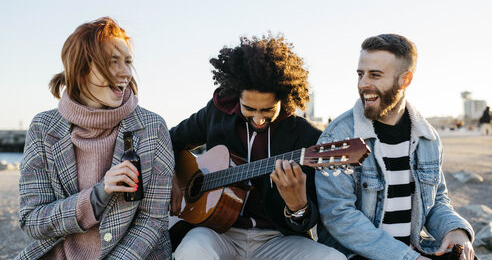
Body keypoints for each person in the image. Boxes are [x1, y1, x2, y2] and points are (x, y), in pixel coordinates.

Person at [170, 35, 346, 259]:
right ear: (237, 96)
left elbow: (308, 222)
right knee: (191, 252)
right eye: (249, 108)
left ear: (285, 99)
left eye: (267, 110)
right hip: (217, 233)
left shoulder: (306, 137)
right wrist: (173, 176)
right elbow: (168, 141)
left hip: (277, 238)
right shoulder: (216, 114)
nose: (258, 119)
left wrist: (298, 206)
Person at [17, 17, 174, 260]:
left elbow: (153, 221)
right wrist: (96, 196)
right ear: (81, 69)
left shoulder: (152, 128)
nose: (125, 73)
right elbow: (32, 220)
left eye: (128, 62)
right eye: (113, 63)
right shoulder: (43, 128)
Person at [315, 34, 475, 260]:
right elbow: (338, 215)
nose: (363, 84)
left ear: (405, 79)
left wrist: (455, 229)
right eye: (360, 74)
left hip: (413, 250)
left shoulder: (427, 137)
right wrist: (405, 257)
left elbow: (437, 200)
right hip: (355, 254)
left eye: (375, 75)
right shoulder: (337, 136)